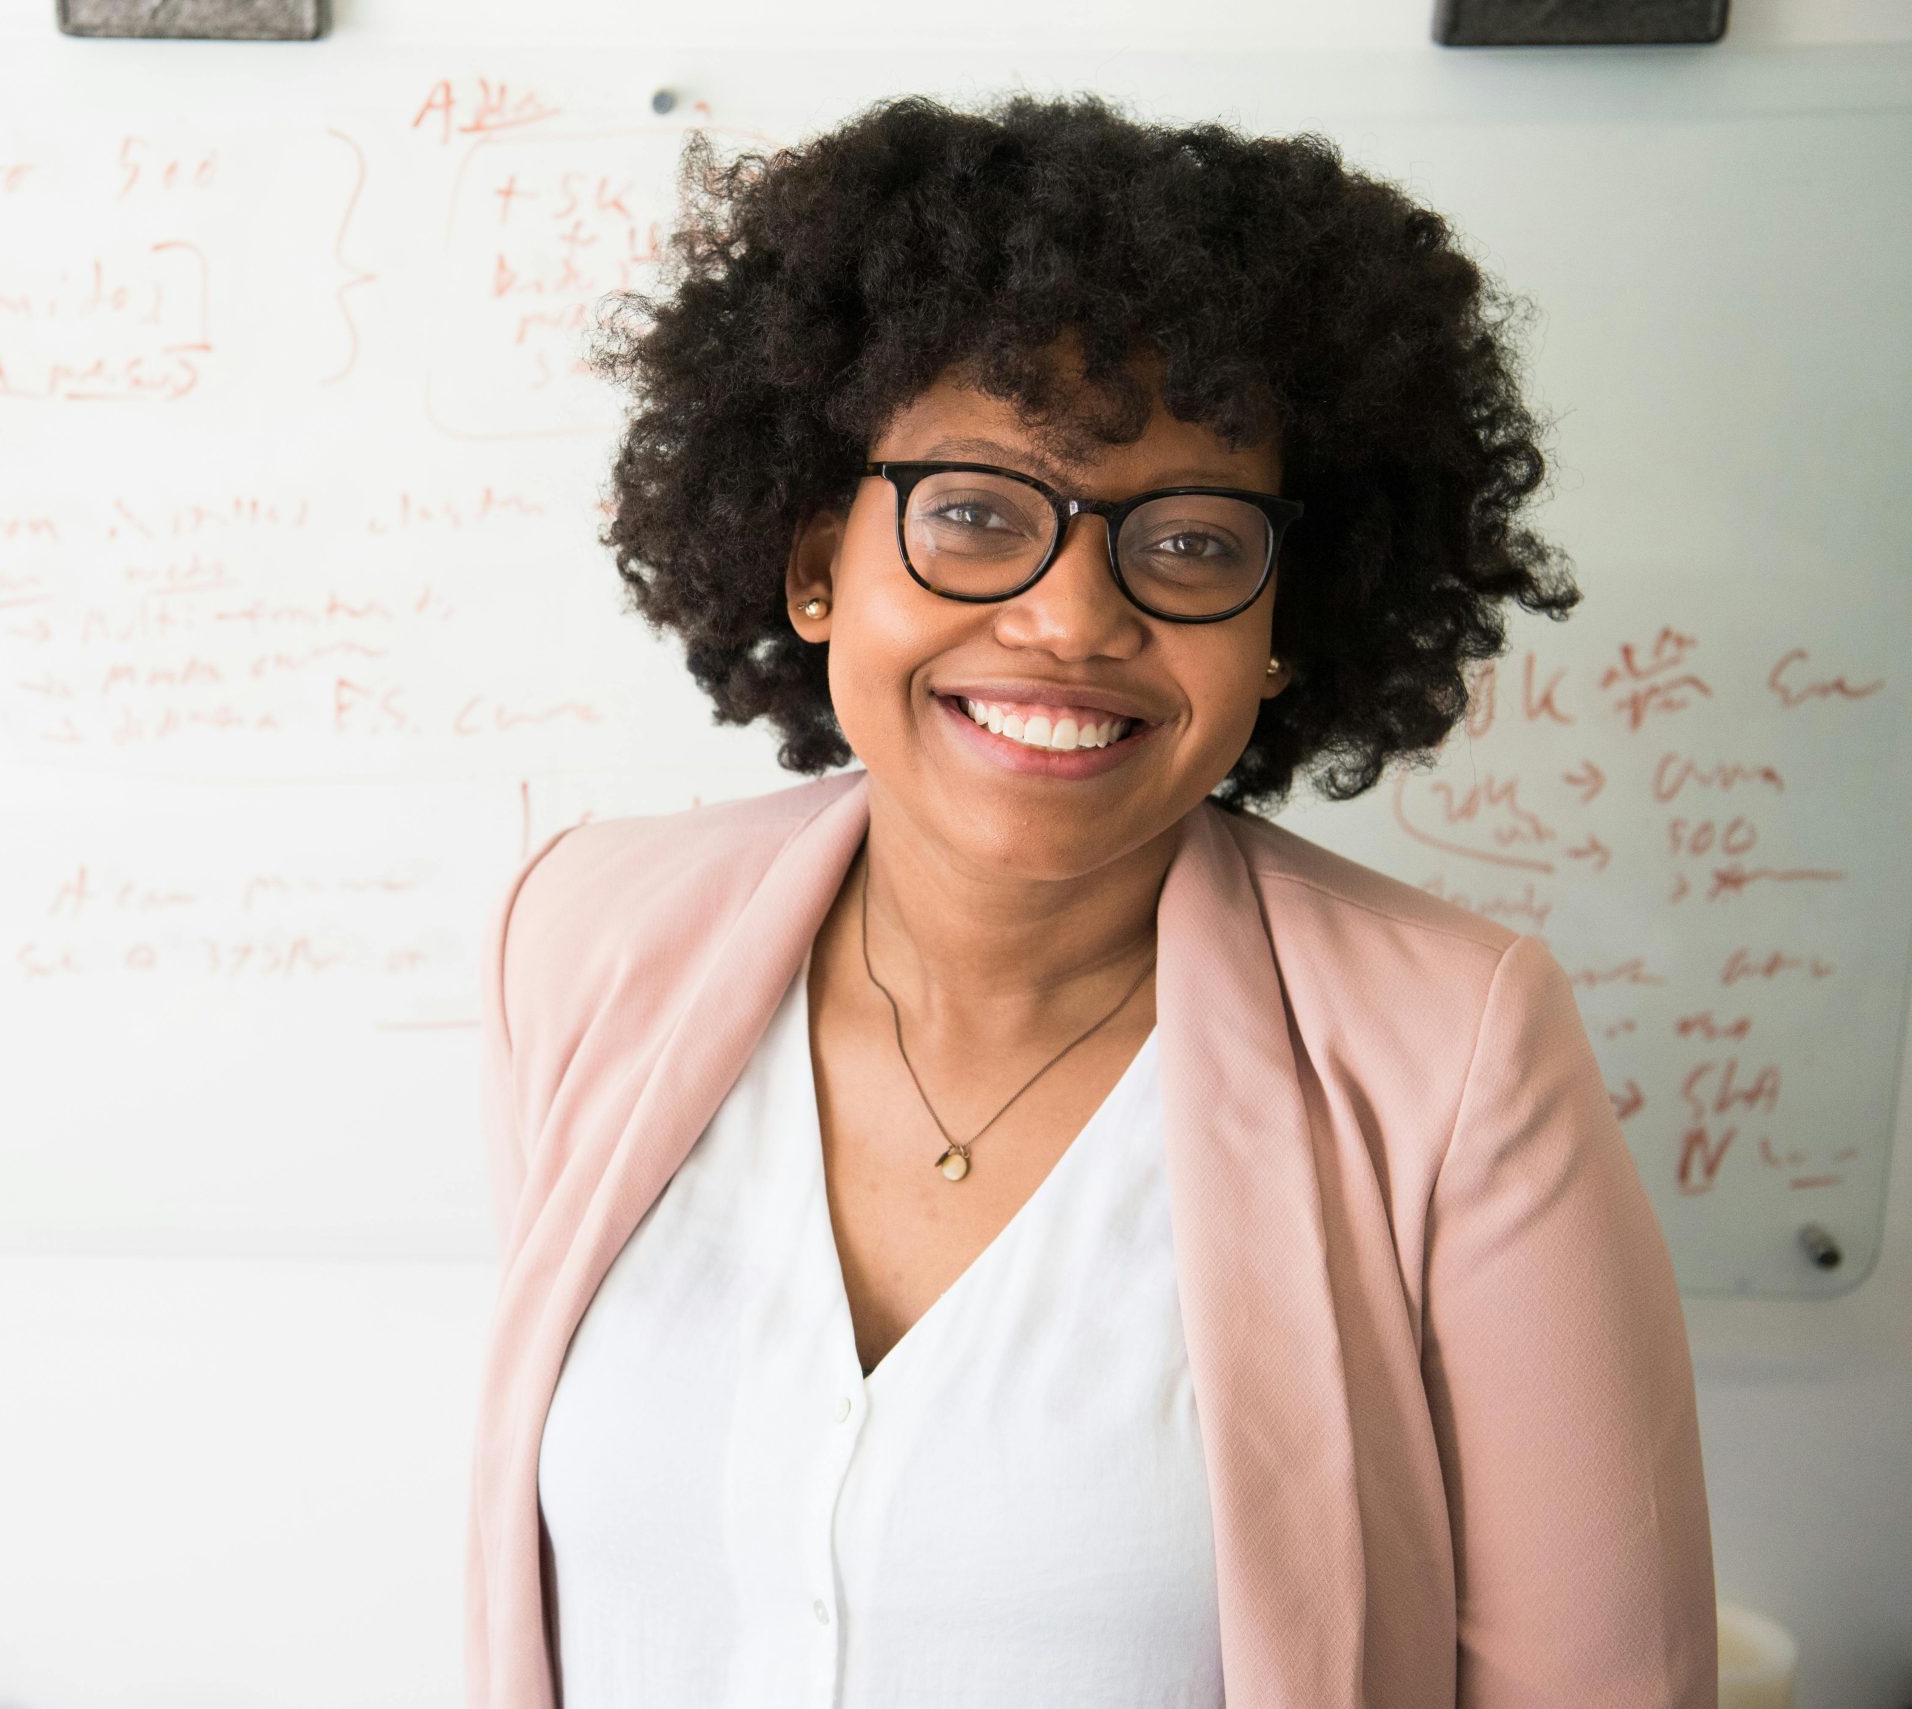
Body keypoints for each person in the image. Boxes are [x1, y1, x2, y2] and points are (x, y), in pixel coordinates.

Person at [462, 91, 1715, 1709]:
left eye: (1189, 542)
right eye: (977, 510)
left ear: (1283, 622)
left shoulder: (1455, 1054)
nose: (1069, 618)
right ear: (814, 556)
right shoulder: (580, 939)